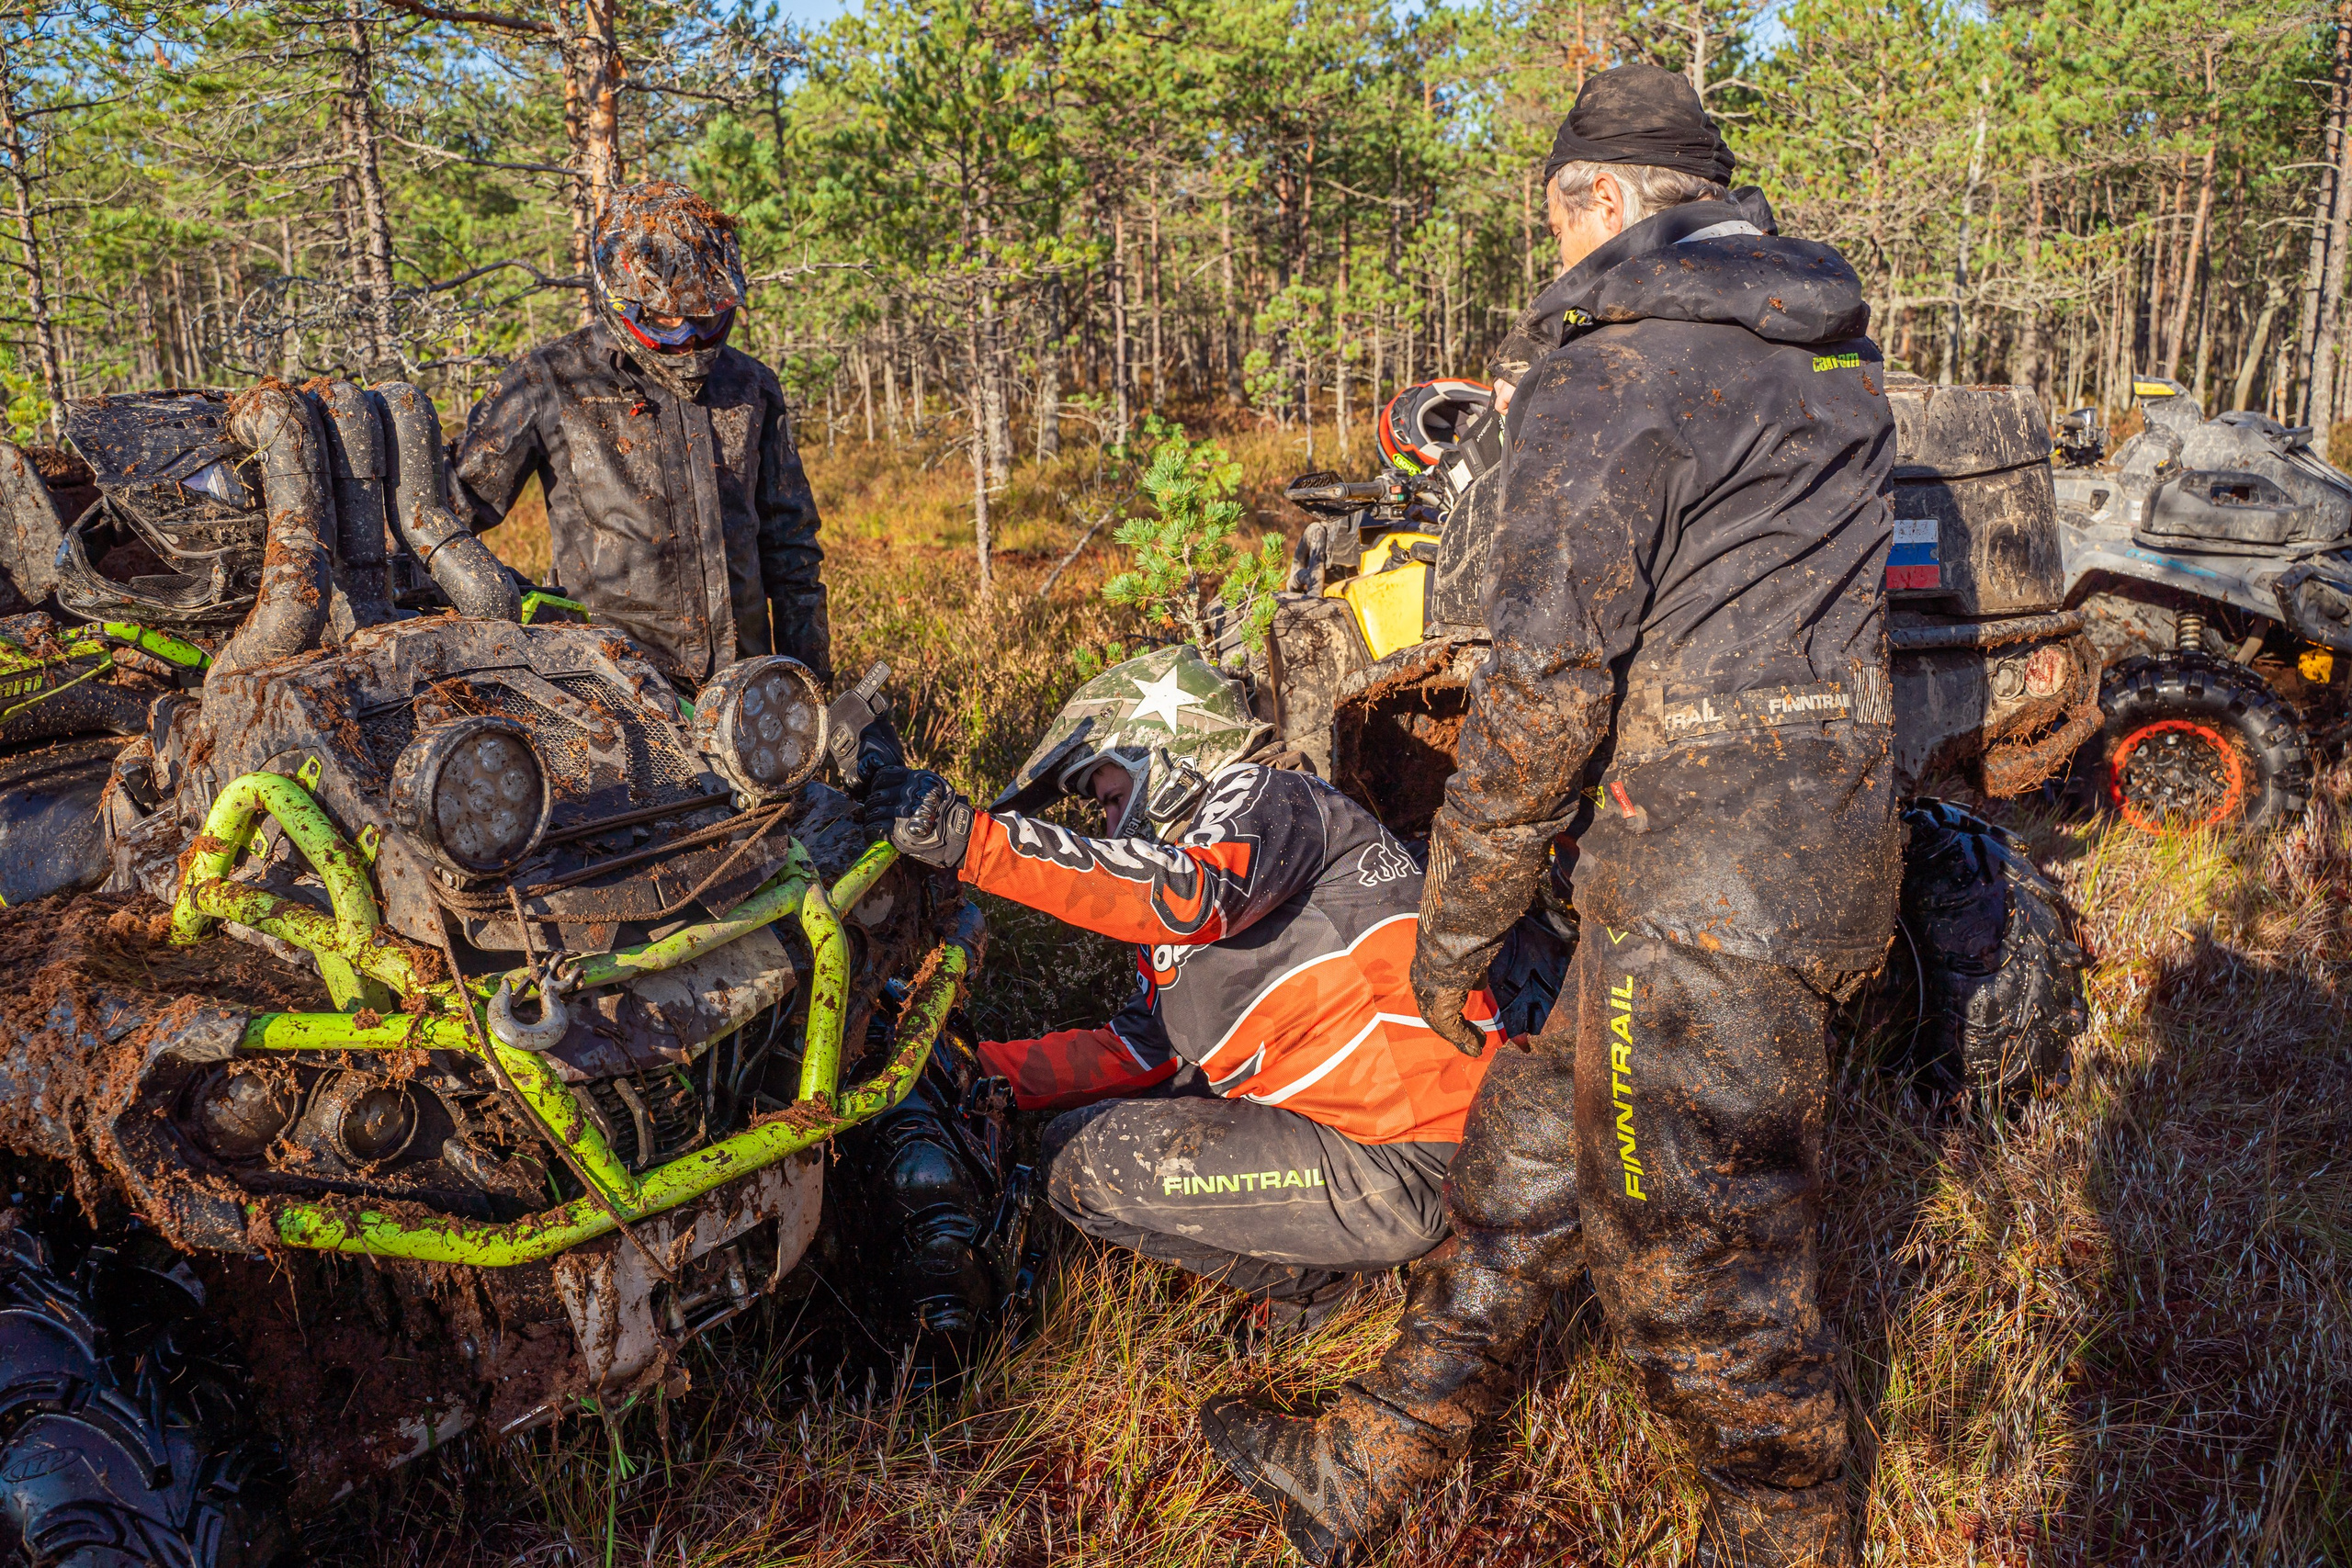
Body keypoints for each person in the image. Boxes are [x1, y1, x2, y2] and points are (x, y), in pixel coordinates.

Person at [1196, 63, 1901, 1568]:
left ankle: (1787, 1536)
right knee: (1517, 1181)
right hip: (1795, 843)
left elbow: (1547, 685)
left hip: (1699, 891)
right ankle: (1359, 1466)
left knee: (1698, 1272)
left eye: (1556, 219)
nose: (1558, 251)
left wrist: (1457, 925)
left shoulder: (1617, 364)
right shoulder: (1825, 354)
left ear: (1593, 200)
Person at [857, 645, 1564, 1334]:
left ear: (1163, 754)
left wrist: (972, 842)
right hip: (1363, 1147)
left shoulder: (1267, 793)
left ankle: (1317, 1296)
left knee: (1088, 1161)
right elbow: (1144, 1052)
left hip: (1425, 1151)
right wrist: (980, 1070)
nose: (1106, 824)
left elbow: (1189, 893)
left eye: (1109, 798)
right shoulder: (1192, 902)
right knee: (1072, 1148)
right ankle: (1325, 1292)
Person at [450, 180, 831, 686]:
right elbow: (447, 513)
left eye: (705, 317)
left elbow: (792, 549)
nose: (689, 336)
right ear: (619, 300)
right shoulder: (552, 380)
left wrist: (811, 681)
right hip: (613, 687)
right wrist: (505, 607)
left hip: (746, 690)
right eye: (666, 320)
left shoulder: (750, 384)